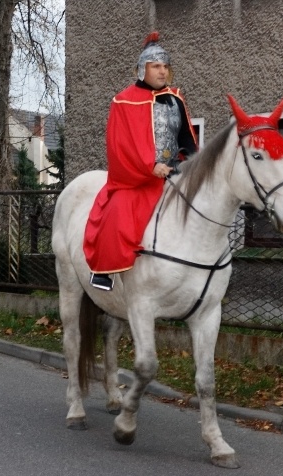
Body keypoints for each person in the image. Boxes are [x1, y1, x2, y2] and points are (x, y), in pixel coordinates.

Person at [83, 32, 198, 290]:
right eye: (156, 66)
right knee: (118, 213)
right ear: (142, 69)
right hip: (137, 179)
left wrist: (194, 165)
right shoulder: (123, 101)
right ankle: (104, 271)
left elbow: (186, 139)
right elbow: (119, 146)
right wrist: (150, 166)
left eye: (165, 66)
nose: (162, 72)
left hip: (174, 173)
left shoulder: (176, 99)